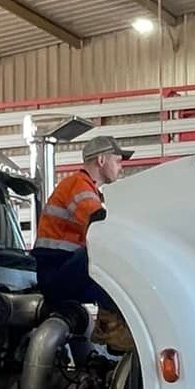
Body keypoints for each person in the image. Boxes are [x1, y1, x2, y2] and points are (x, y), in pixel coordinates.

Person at [33, 132, 132, 307]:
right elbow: (98, 222)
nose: (121, 168)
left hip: (60, 268)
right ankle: (111, 323)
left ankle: (110, 320)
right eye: (117, 161)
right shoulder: (78, 184)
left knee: (114, 290)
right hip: (55, 270)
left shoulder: (88, 189)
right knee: (109, 257)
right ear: (101, 160)